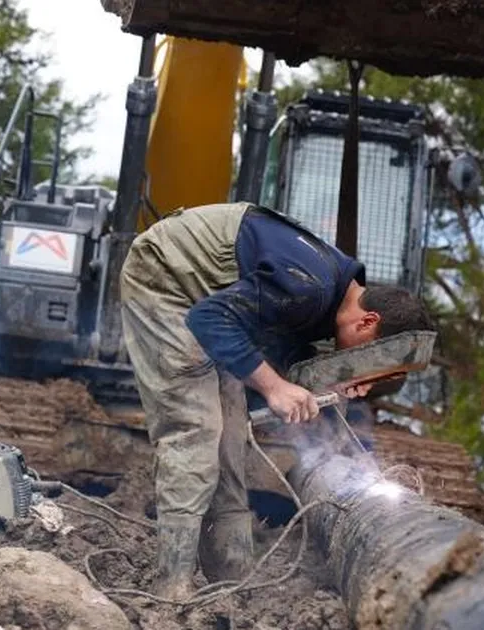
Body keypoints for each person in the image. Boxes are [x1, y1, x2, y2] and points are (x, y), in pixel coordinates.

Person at [119, 201, 435, 599]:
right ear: (368, 322)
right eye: (375, 360)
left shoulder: (328, 295)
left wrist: (332, 384)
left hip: (206, 302)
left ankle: (231, 578)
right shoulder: (311, 286)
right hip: (166, 281)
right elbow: (208, 319)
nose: (369, 374)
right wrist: (274, 387)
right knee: (197, 428)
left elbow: (277, 349)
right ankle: (171, 588)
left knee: (229, 440)